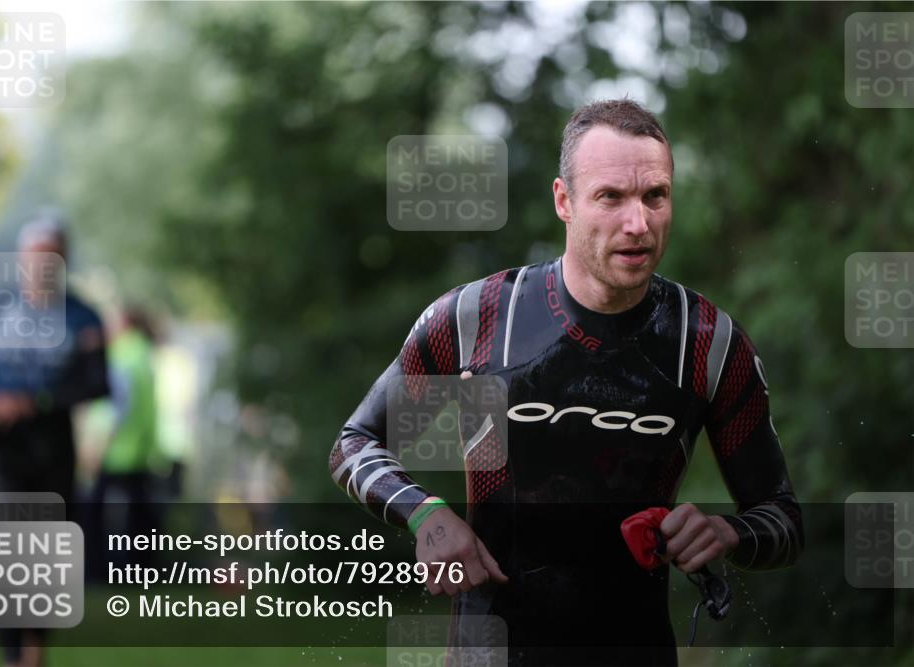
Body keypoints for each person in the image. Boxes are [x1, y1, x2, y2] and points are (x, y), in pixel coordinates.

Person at [329, 100, 804, 666]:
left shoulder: (706, 344)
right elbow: (355, 444)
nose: (638, 223)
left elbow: (783, 518)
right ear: (564, 201)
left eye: (655, 196)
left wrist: (728, 533)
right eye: (611, 197)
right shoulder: (478, 318)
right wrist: (427, 513)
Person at [0, 210, 110, 667]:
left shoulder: (82, 315)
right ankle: (13, 656)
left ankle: (34, 648)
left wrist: (35, 401)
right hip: (3, 447)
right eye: (36, 256)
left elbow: (97, 383)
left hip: (53, 443)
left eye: (53, 257)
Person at [86, 305, 161, 576]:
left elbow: (115, 406)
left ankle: (96, 572)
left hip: (115, 449)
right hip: (140, 449)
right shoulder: (144, 354)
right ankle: (142, 571)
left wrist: (97, 445)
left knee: (93, 513)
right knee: (140, 516)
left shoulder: (121, 356)